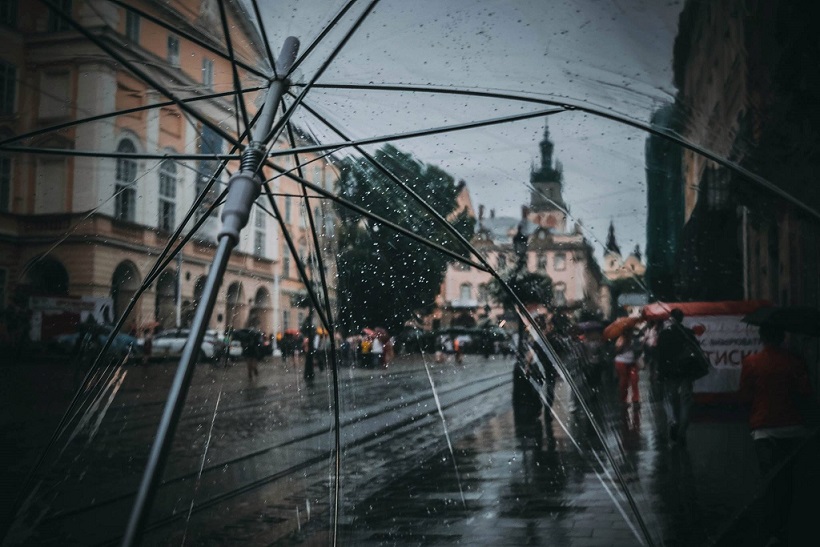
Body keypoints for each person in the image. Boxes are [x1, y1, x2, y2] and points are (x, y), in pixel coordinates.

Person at [739, 323, 813, 545]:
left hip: (764, 430)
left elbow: (744, 396)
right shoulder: (794, 362)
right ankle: (789, 527)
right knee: (790, 482)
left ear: (762, 338)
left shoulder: (751, 362)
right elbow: (806, 393)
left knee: (770, 481)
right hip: (793, 430)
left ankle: (774, 532)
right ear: (782, 338)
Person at [657, 308, 703, 445]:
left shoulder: (664, 334)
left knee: (671, 398)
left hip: (671, 373)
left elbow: (660, 355)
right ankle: (681, 432)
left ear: (671, 318)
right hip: (686, 372)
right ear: (682, 319)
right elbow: (696, 351)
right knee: (686, 402)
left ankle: (674, 421)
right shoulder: (688, 334)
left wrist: (660, 372)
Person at [613, 328, 642, 406]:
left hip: (632, 362)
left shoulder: (634, 339)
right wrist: (623, 344)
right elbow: (616, 350)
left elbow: (639, 349)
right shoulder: (620, 339)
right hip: (621, 362)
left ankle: (636, 399)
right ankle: (624, 399)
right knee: (624, 381)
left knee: (634, 379)